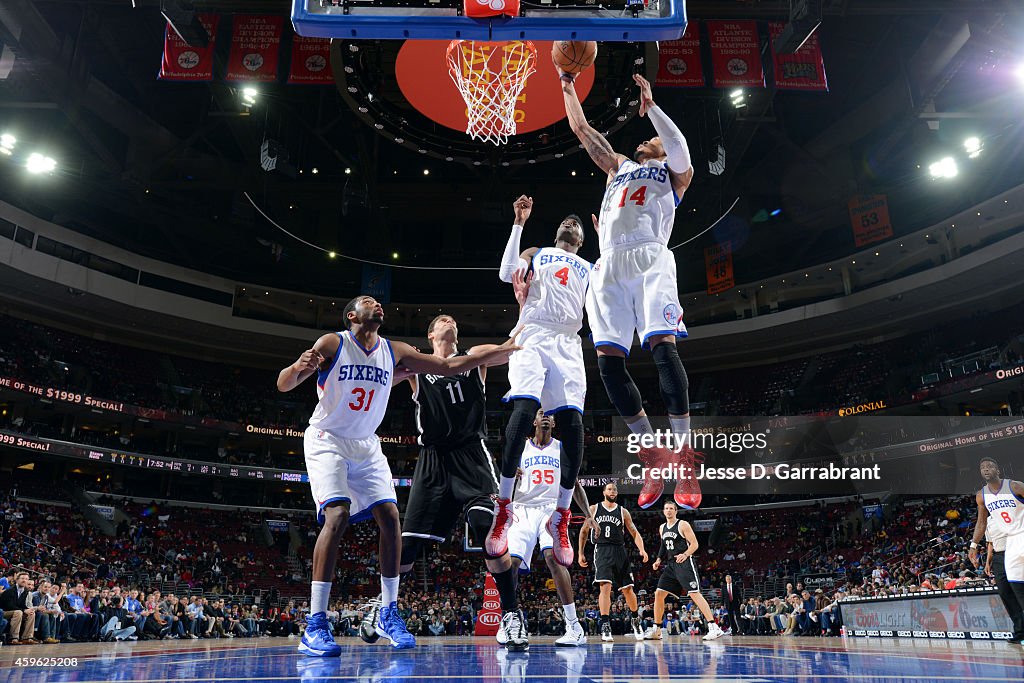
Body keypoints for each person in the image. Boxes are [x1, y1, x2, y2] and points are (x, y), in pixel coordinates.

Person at [277, 294, 519, 656]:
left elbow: (449, 366)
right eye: (369, 301)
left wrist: (526, 335)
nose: (378, 305)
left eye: (379, 303)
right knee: (339, 515)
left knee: (391, 517)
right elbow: (283, 384)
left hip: (381, 445)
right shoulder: (333, 342)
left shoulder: (398, 351)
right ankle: (316, 623)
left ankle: (391, 611)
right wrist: (298, 368)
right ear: (351, 315)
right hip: (333, 440)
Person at [559, 64, 699, 510]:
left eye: (648, 139)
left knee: (662, 348)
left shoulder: (674, 174)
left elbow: (678, 147)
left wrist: (652, 107)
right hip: (609, 266)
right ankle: (652, 453)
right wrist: (566, 85)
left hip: (651, 257)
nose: (643, 142)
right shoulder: (618, 167)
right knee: (608, 365)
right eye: (643, 138)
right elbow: (583, 130)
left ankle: (685, 456)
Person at [381, 312, 526, 649]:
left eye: (451, 318)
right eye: (440, 319)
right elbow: (382, 381)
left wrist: (529, 321)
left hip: (471, 455)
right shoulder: (419, 366)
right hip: (433, 460)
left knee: (484, 528)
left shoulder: (475, 357)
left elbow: (509, 349)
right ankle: (384, 606)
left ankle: (511, 615)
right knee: (408, 547)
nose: (448, 319)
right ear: (431, 334)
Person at [489, 195, 592, 567]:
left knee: (574, 426)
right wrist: (518, 223)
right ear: (558, 231)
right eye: (566, 220)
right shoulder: (538, 251)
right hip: (532, 334)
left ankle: (562, 514)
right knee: (524, 409)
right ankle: (504, 506)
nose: (570, 222)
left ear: (582, 238)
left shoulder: (590, 268)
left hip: (568, 342)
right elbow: (505, 273)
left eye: (577, 223)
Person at [503, 409, 592, 647]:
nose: (545, 416)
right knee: (508, 564)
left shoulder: (562, 448)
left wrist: (588, 515)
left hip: (551, 509)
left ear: (554, 422)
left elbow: (575, 483)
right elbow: (501, 476)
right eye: (540, 413)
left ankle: (574, 626)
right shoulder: (520, 447)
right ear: (533, 420)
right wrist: (512, 473)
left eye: (549, 415)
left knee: (555, 559)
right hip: (522, 509)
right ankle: (508, 619)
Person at [644, 500, 724, 641]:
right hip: (670, 565)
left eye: (671, 508)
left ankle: (714, 627)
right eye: (666, 508)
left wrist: (685, 554)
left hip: (685, 563)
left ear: (676, 511)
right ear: (663, 511)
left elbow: (695, 544)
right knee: (658, 594)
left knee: (694, 594)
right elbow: (663, 545)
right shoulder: (662, 527)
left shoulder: (682, 524)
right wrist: (658, 559)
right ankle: (656, 630)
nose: (668, 510)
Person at [578, 482, 647, 641]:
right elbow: (583, 532)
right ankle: (605, 623)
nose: (612, 491)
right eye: (609, 489)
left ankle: (635, 619)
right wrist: (580, 553)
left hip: (619, 550)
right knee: (605, 586)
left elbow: (634, 533)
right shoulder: (594, 509)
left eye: (615, 489)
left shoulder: (623, 512)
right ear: (604, 492)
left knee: (628, 589)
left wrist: (641, 549)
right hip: (602, 549)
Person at [969, 457, 1024, 645]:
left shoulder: (1015, 486)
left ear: (998, 469)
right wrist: (973, 546)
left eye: (990, 466)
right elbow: (981, 522)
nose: (986, 469)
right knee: (1010, 590)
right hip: (1007, 547)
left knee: (1018, 587)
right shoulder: (981, 495)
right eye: (982, 467)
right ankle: (1021, 630)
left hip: (1021, 536)